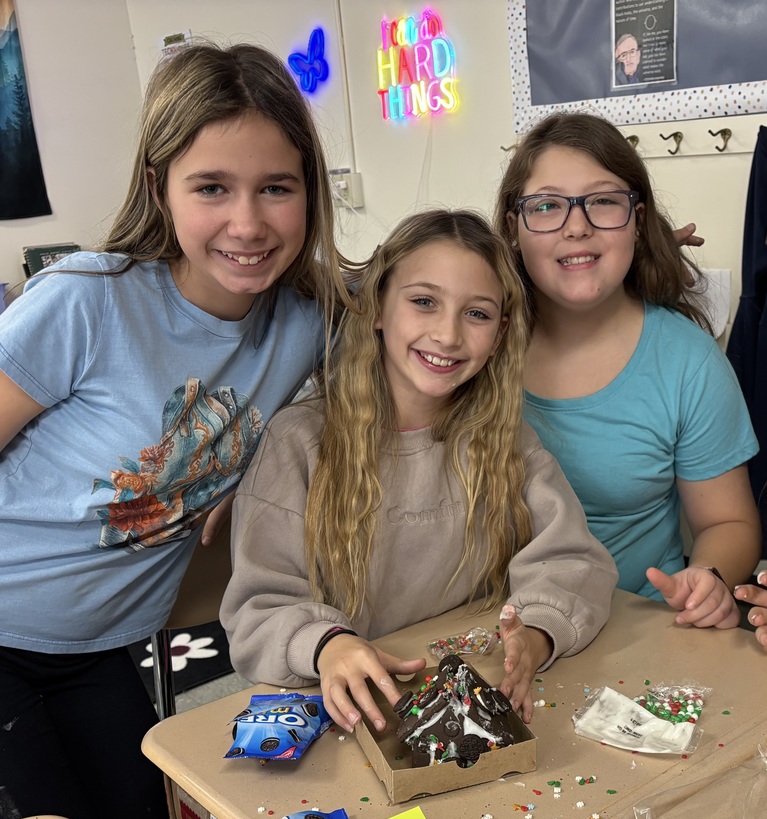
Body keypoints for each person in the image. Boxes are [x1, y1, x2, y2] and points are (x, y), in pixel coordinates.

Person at [0, 42, 353, 819]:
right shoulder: (87, 300)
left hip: (100, 650)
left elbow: (428, 315)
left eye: (276, 186)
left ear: (311, 190)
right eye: (211, 188)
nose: (248, 223)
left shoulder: (308, 318)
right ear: (160, 185)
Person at [221, 209, 618, 733]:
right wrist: (328, 645)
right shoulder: (298, 442)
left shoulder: (506, 440)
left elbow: (573, 561)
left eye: (476, 314)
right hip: (345, 716)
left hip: (473, 704)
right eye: (424, 302)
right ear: (379, 307)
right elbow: (258, 607)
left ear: (500, 335)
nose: (448, 335)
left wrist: (537, 633)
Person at [494, 111, 761, 631]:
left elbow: (728, 522)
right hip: (485, 624)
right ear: (514, 229)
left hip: (632, 633)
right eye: (546, 205)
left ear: (637, 221)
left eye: (603, 202)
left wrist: (708, 578)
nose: (577, 226)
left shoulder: (688, 362)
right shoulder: (474, 344)